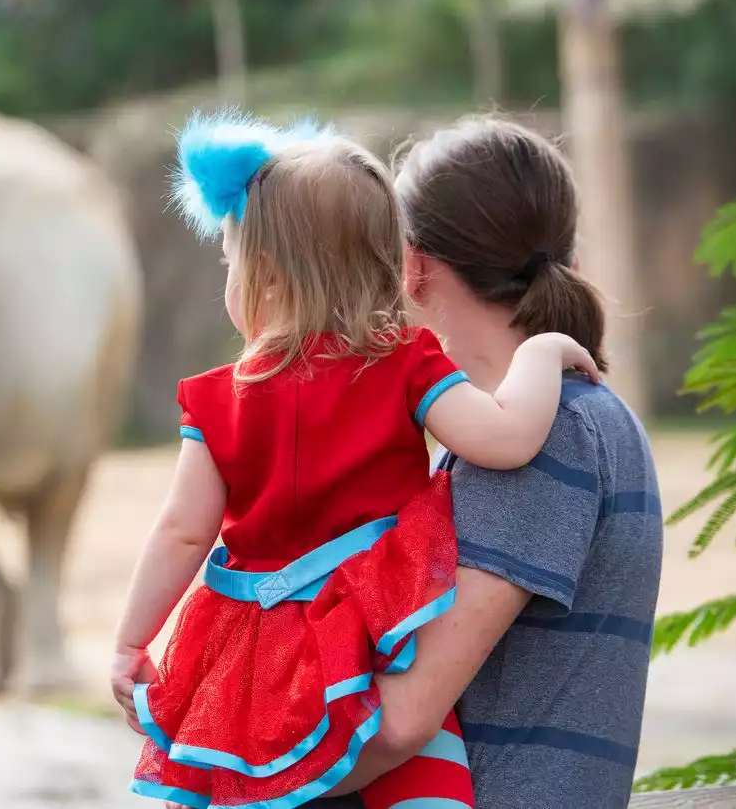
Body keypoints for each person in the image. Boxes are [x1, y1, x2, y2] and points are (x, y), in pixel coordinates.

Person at [109, 111, 599, 809]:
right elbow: (507, 437)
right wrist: (542, 353)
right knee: (428, 771)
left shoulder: (219, 403)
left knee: (233, 773)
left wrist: (132, 641)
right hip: (373, 637)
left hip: (257, 652)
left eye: (230, 264)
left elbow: (182, 531)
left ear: (266, 277)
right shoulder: (407, 366)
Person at [311, 116, 664, 808]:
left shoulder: (549, 437)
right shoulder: (563, 419)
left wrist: (233, 771)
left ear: (411, 266)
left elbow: (401, 722)